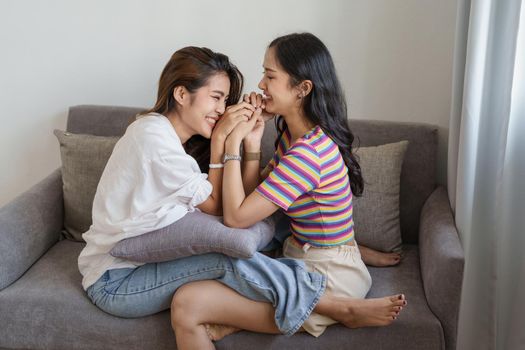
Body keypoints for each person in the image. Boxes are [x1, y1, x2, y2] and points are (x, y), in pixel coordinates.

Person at [77, 46, 405, 350]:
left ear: (302, 88)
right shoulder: (154, 140)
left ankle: (343, 251)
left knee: (266, 227)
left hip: (138, 263)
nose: (223, 109)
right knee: (227, 254)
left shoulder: (161, 134)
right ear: (181, 94)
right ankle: (334, 305)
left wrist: (241, 143)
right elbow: (223, 208)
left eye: (269, 76)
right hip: (117, 278)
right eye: (217, 97)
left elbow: (244, 205)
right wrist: (224, 141)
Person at [170, 33, 407, 349]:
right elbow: (252, 201)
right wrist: (254, 140)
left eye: (270, 76)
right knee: (221, 270)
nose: (261, 85)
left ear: (302, 89)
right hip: (302, 255)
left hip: (328, 277)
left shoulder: (307, 155)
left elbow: (237, 218)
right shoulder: (293, 138)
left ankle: (338, 307)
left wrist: (230, 144)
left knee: (196, 295)